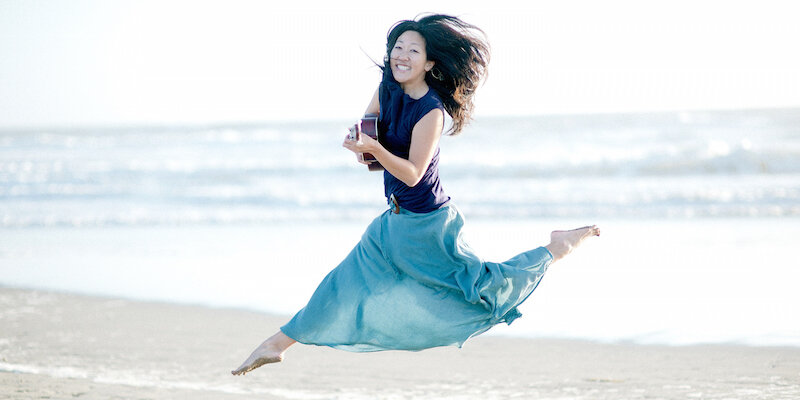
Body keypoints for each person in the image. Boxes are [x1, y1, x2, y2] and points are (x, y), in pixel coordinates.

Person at [232, 14, 599, 376]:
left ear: (429, 63)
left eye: (413, 50)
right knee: (341, 282)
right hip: (393, 220)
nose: (401, 55)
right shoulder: (385, 89)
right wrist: (360, 146)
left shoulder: (431, 112)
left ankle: (557, 248)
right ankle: (275, 345)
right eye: (397, 48)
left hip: (428, 224)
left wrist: (373, 150)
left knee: (479, 290)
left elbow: (412, 173)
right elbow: (370, 140)